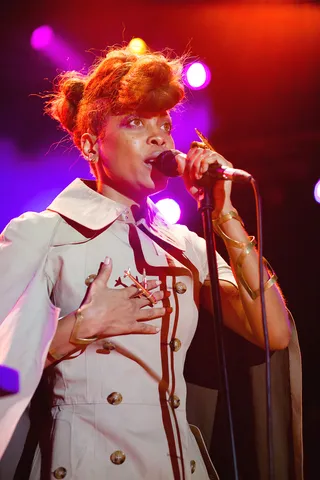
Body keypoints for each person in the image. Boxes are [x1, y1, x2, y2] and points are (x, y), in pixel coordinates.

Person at [0, 45, 301, 480]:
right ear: (90, 144)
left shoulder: (185, 243)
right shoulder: (44, 233)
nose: (160, 137)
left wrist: (224, 217)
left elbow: (273, 332)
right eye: (135, 123)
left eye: (164, 124)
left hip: (177, 465)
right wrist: (80, 328)